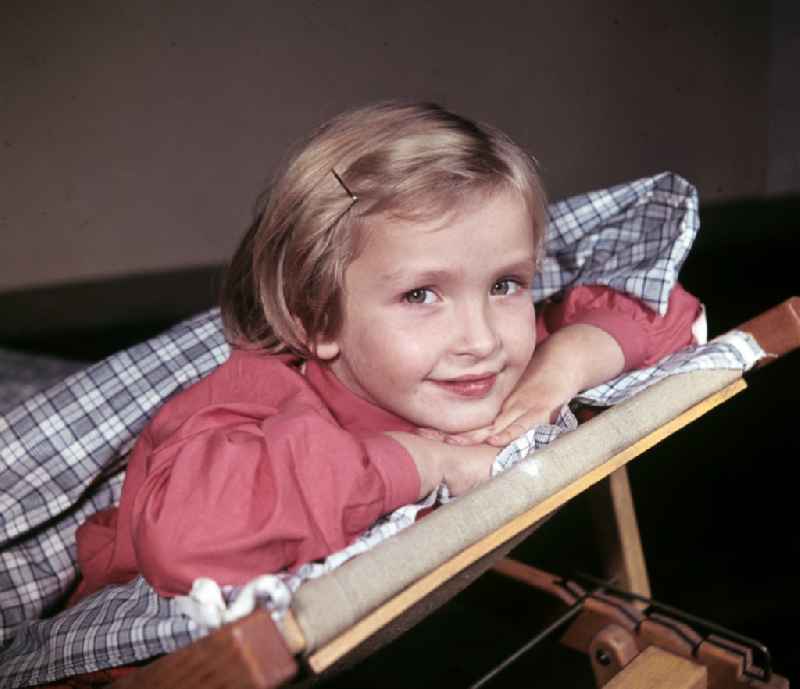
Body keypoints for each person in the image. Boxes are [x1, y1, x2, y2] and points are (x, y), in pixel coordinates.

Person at [74, 101, 701, 600]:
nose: (481, 339)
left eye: (505, 285)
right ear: (318, 318)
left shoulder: (494, 361)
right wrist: (423, 461)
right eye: (422, 295)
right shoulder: (254, 400)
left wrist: (558, 368)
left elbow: (666, 307)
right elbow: (190, 541)